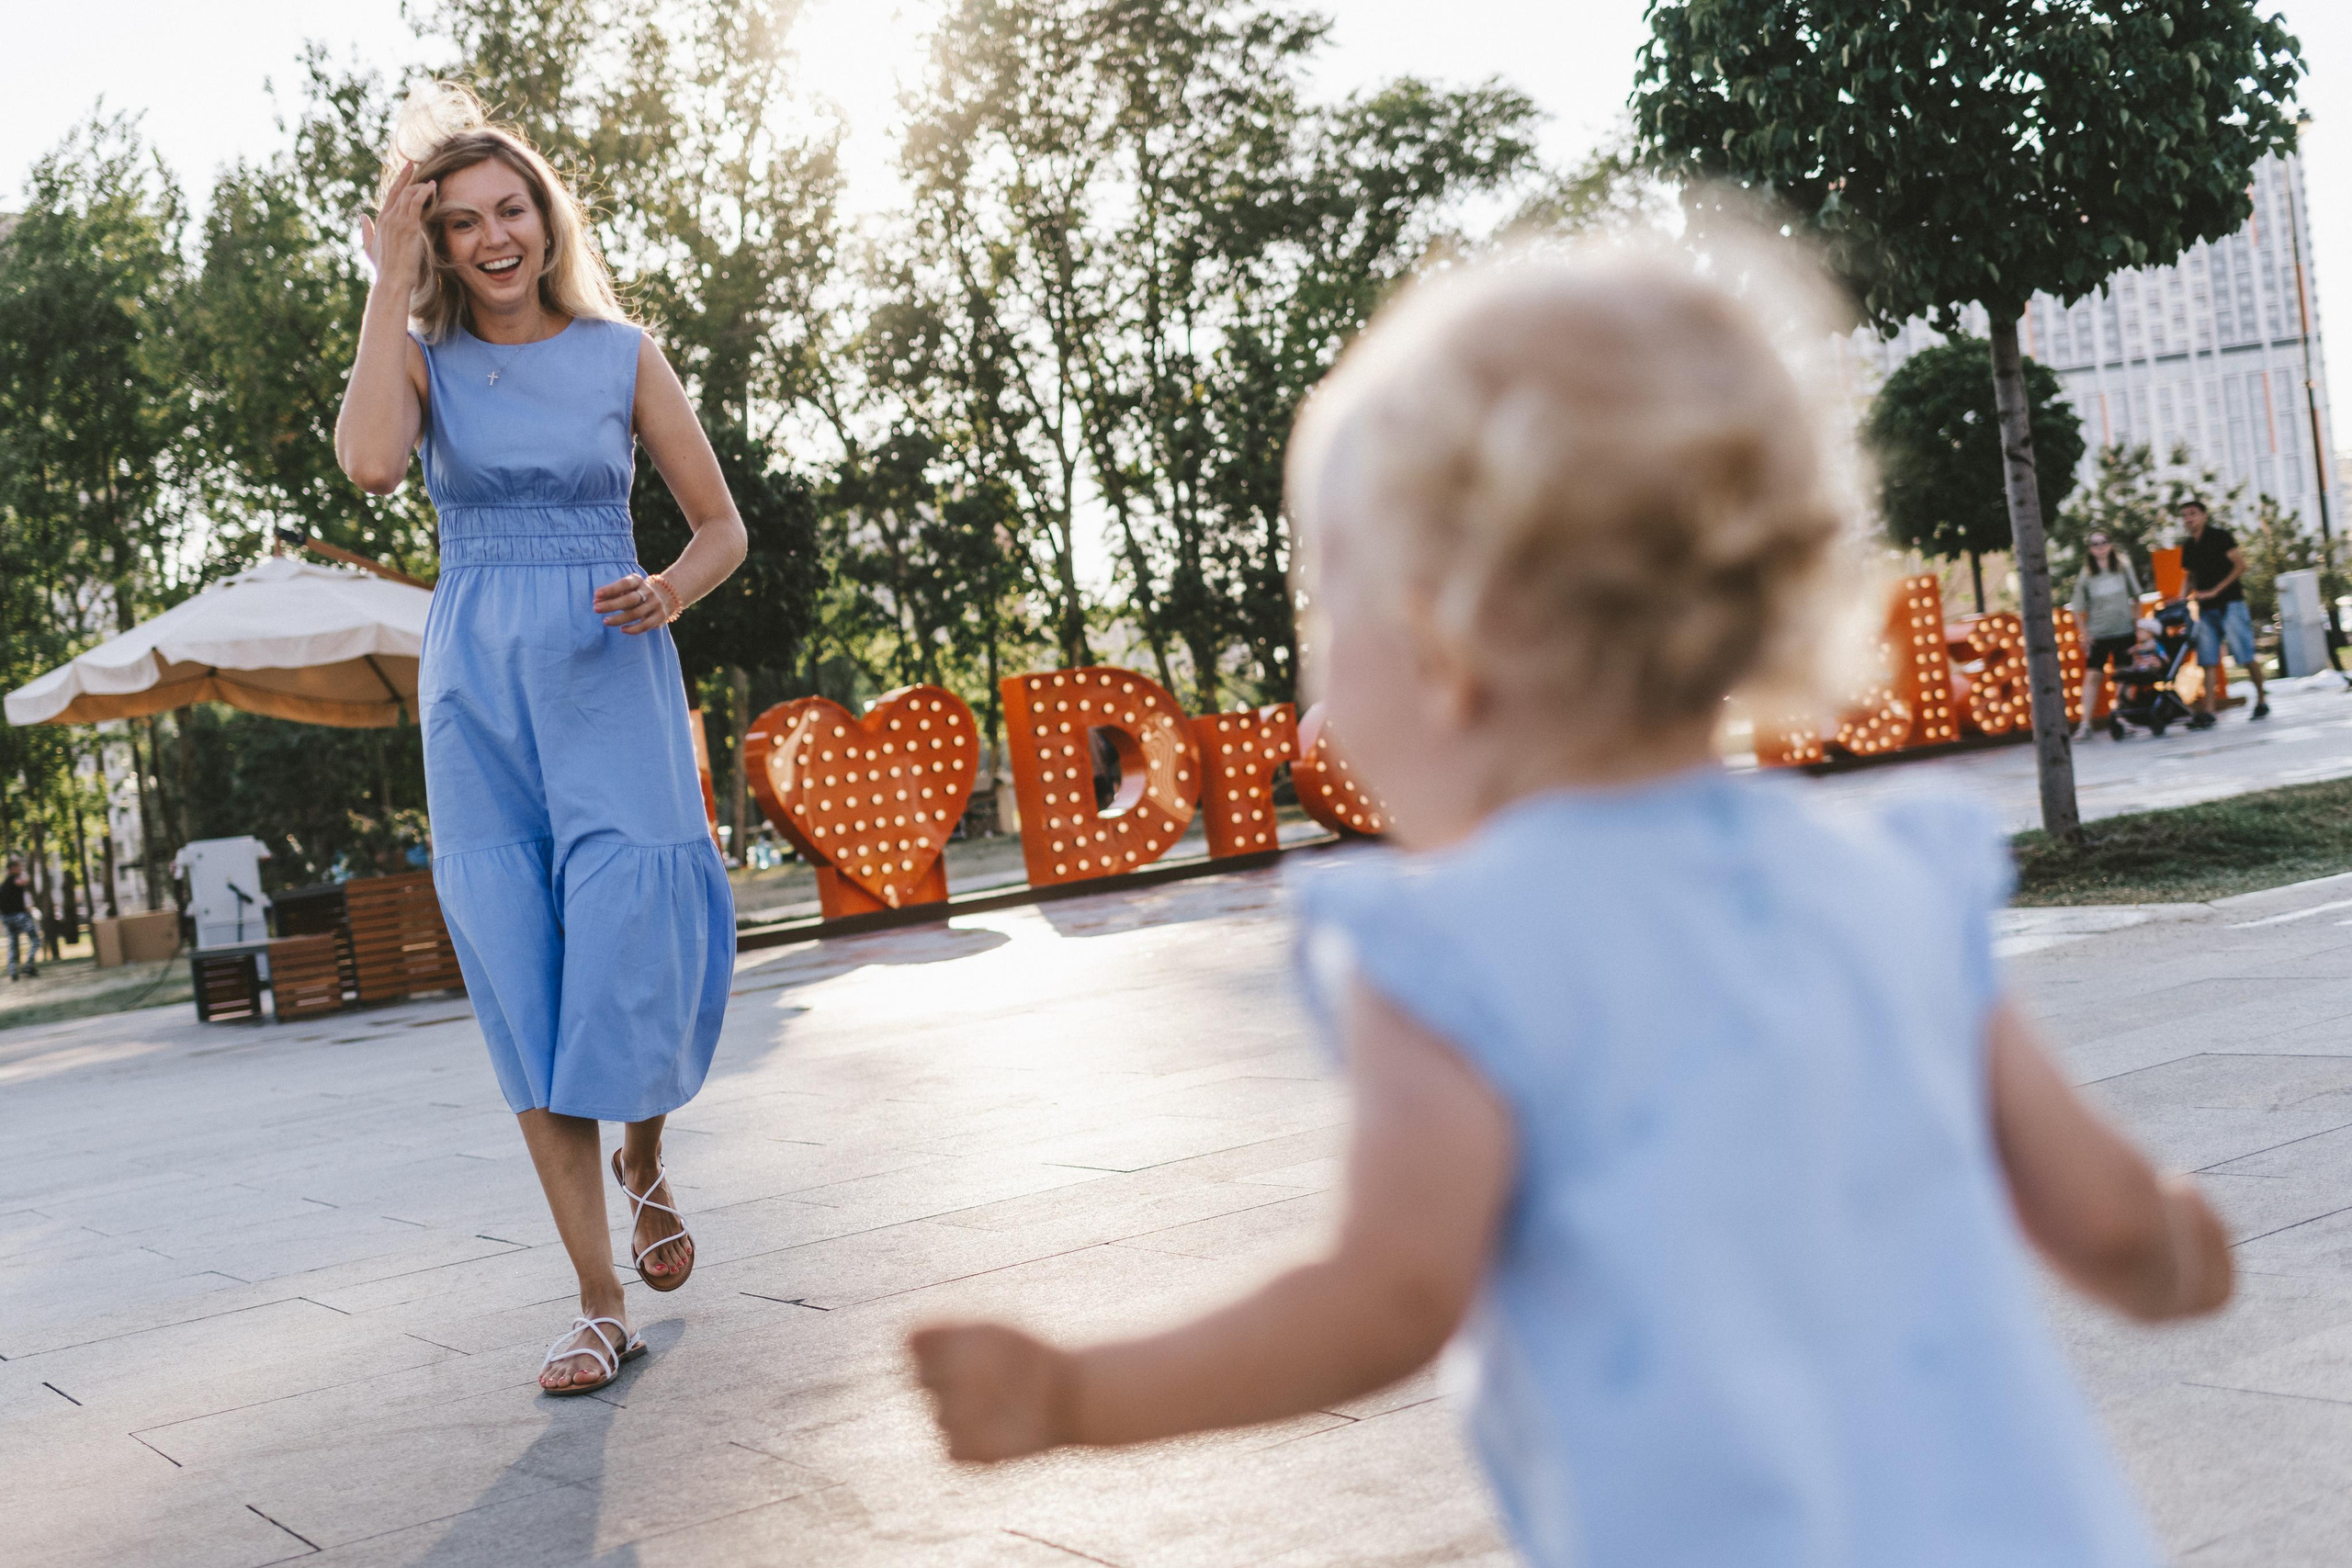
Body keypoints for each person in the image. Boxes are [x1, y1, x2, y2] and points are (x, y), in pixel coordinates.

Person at [908, 249, 2233, 1566]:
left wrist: (1085, 1393)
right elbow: (2117, 1222)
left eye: (1325, 599)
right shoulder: (1886, 876)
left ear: (1439, 643)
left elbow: (1389, 1291)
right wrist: (2181, 1250)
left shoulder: (1454, 949)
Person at [334, 84, 747, 1397]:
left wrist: (670, 589)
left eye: (510, 208)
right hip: (480, 689)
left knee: (631, 939)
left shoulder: (622, 352)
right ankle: (595, 1297)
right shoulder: (417, 353)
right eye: (460, 223)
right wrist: (384, 281)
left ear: (545, 216)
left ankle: (646, 1152)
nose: (494, 236)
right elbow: (367, 466)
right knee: (522, 964)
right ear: (439, 243)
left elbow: (720, 525)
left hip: (607, 665)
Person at [2177, 499, 2267, 728]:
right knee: (2207, 659)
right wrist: (2180, 599)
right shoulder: (2189, 546)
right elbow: (2190, 576)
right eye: (2185, 515)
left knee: (2244, 654)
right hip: (2206, 609)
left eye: (2193, 514)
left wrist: (2215, 590)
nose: (2189, 519)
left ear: (2204, 515)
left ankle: (2262, 698)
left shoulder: (2220, 537)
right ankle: (2209, 711)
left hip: (2231, 603)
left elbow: (2241, 565)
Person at [2069, 531, 2143, 739]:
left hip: (2124, 631)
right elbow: (2077, 608)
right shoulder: (2087, 574)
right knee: (2093, 675)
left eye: (2104, 542)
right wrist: (2084, 634)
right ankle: (2085, 724)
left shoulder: (2122, 566)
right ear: (2090, 549)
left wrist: (2137, 623)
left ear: (2110, 545)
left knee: (2123, 675)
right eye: (2095, 544)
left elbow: (2136, 596)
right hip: (2098, 633)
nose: (2100, 547)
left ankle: (2123, 718)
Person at [1, 858, 38, 981]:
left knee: (12, 943)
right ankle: (28, 966)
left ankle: (12, 970)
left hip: (7, 918)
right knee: (35, 940)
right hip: (19, 916)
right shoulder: (14, 879)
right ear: (12, 868)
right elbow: (24, 882)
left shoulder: (3, 885)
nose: (21, 869)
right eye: (19, 867)